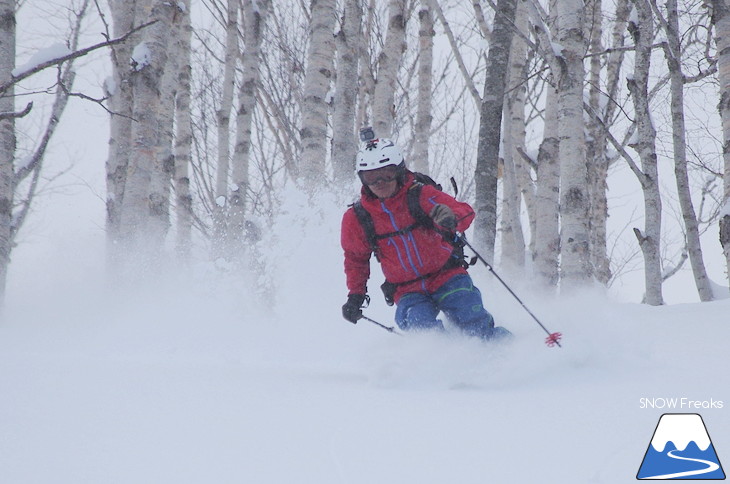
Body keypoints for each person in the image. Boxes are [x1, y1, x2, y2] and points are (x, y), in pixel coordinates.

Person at [340, 135, 510, 341]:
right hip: (406, 289)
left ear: (399, 171)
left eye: (387, 174)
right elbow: (355, 260)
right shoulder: (358, 217)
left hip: (447, 275)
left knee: (470, 316)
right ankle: (444, 365)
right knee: (421, 327)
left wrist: (451, 218)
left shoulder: (419, 195)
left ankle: (508, 354)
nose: (379, 183)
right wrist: (355, 296)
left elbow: (464, 211)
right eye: (371, 177)